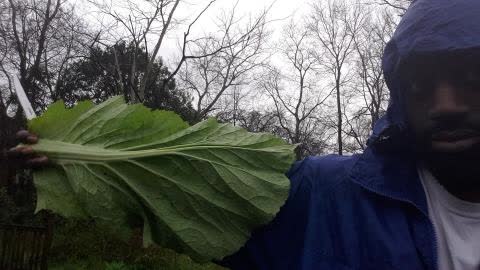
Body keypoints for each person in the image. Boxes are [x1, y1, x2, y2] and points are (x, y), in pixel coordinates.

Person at [6, 0, 480, 269]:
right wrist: (68, 153)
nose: (446, 105)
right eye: (420, 85)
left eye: (470, 79)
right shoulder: (325, 197)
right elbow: (186, 191)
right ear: (400, 94)